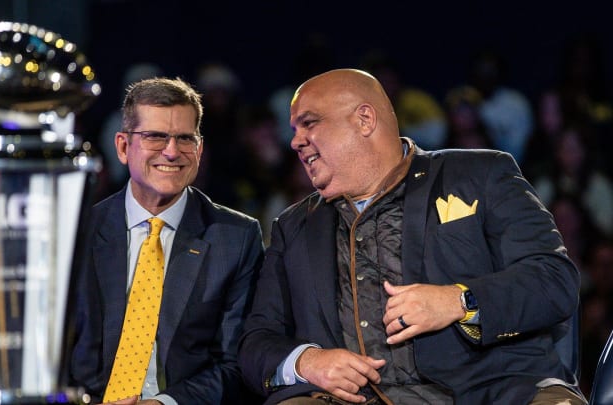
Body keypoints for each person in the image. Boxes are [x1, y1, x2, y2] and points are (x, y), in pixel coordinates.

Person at [238, 68, 586, 404]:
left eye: (309, 123)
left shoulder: (481, 173)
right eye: (294, 130)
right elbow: (257, 342)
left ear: (364, 120)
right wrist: (306, 361)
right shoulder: (294, 226)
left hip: (492, 391)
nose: (296, 141)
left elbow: (553, 281)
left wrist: (459, 302)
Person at [70, 77, 265, 404]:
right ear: (122, 146)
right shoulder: (79, 233)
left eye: (185, 139)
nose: (172, 152)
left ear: (199, 150)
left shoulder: (236, 239)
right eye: (156, 137)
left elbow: (235, 365)